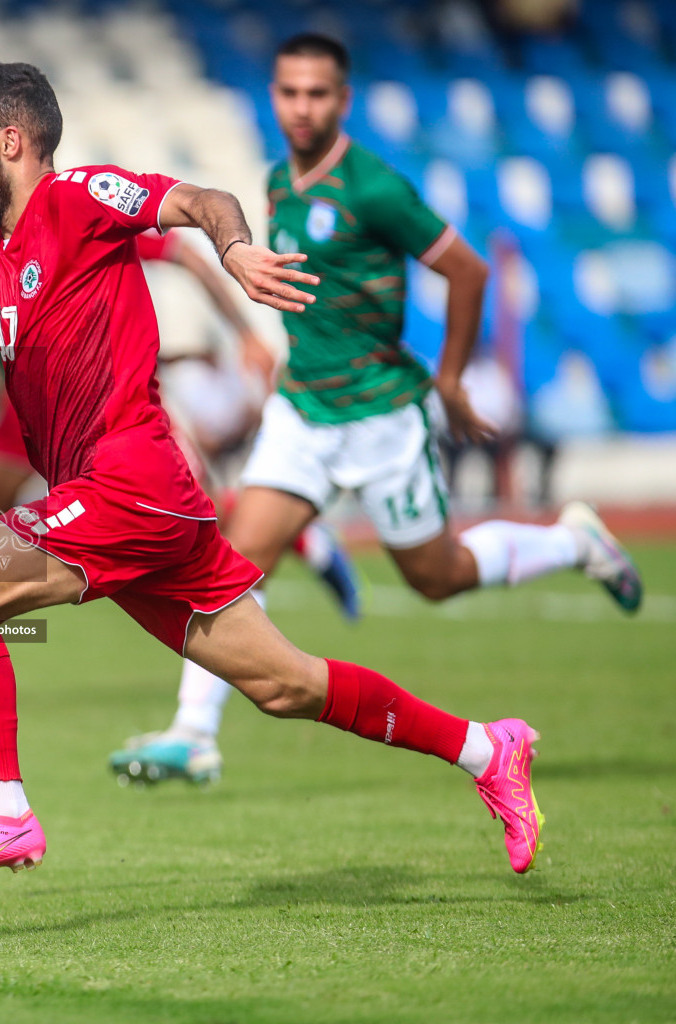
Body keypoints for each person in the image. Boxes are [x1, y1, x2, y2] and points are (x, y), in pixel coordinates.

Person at [0, 61, 553, 884]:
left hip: (128, 482)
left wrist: (236, 251)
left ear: (11, 140)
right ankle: (488, 749)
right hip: (133, 505)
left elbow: (203, 203)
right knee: (284, 686)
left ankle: (3, 813)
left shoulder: (79, 199)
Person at [110, 34, 643, 787]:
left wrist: (452, 380)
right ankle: (194, 732)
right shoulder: (276, 181)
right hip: (302, 412)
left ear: (343, 100)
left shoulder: (373, 188)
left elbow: (467, 268)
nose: (302, 107)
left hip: (382, 416)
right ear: (274, 96)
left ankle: (573, 542)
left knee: (437, 575)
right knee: (228, 565)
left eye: (317, 94)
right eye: (289, 92)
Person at [0, 219, 362, 715]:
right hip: (21, 414)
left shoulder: (74, 224)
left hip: (96, 414)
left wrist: (243, 333)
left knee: (179, 513)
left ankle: (305, 540)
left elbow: (185, 251)